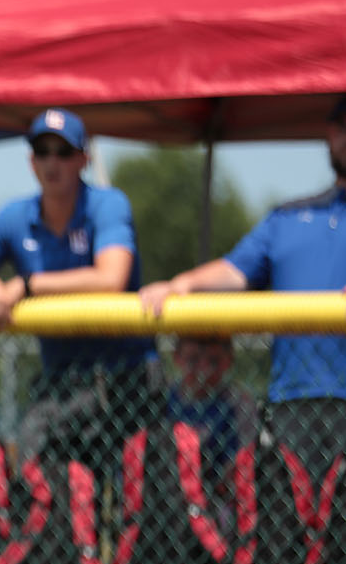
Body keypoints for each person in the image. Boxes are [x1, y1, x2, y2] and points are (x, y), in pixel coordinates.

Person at [0, 108, 160, 476]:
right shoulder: (16, 216)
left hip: (127, 379)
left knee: (130, 508)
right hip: (62, 383)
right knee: (42, 493)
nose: (52, 162)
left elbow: (111, 278)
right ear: (31, 161)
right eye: (43, 151)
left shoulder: (107, 204)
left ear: (83, 159)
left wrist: (28, 286)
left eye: (64, 152)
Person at [140, 95, 346, 486]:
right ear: (331, 133)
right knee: (293, 530)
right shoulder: (288, 217)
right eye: (342, 126)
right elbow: (235, 271)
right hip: (293, 400)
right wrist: (181, 283)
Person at [165, 335, 258, 482]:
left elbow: (246, 457)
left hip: (224, 489)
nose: (204, 370)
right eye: (193, 360)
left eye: (214, 362)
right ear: (177, 357)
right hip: (174, 486)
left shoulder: (238, 402)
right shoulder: (165, 399)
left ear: (229, 360)